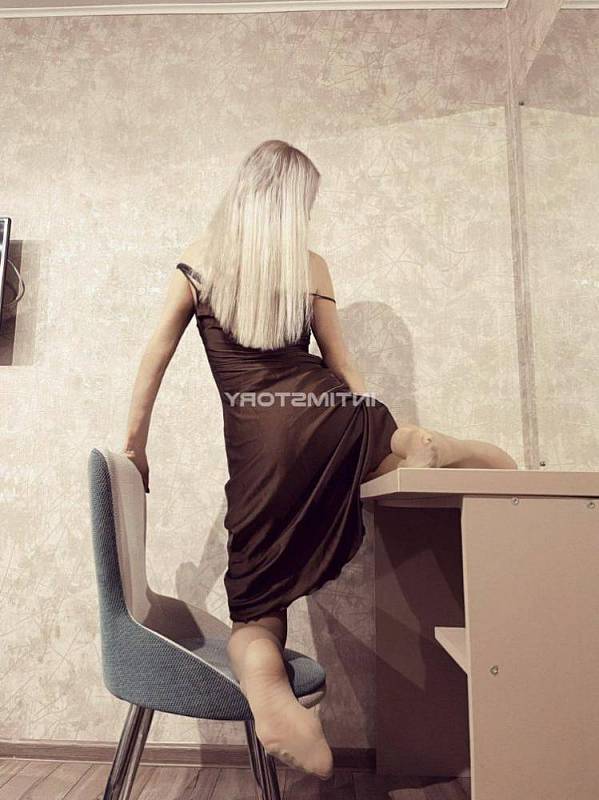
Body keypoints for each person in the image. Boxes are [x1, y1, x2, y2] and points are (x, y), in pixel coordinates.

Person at [122, 140, 517, 781]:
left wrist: (135, 448)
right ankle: (423, 446)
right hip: (328, 411)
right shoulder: (309, 266)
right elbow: (340, 363)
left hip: (261, 442)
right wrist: (375, 418)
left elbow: (155, 358)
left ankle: (267, 687)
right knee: (382, 449)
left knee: (256, 607)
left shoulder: (199, 260)